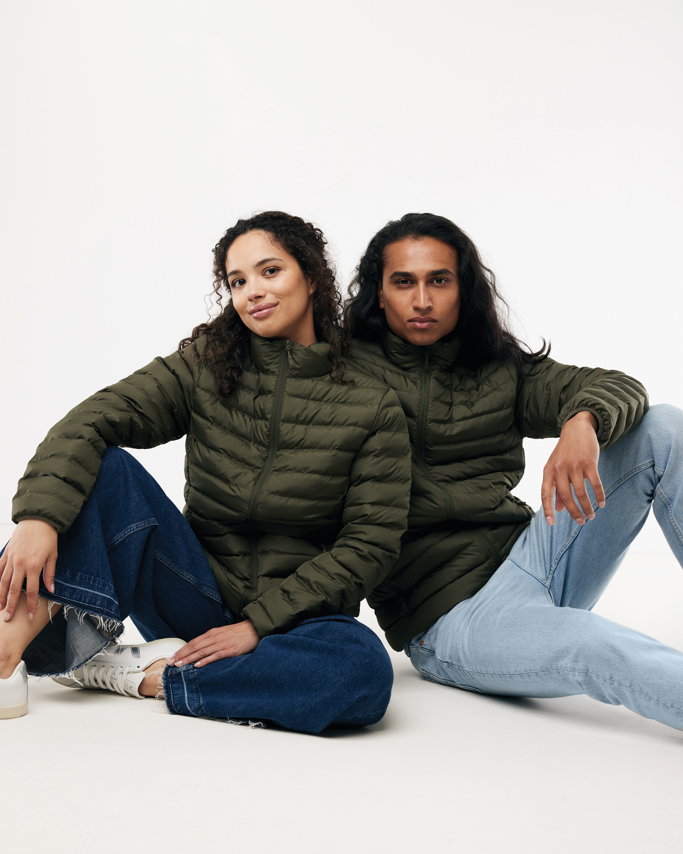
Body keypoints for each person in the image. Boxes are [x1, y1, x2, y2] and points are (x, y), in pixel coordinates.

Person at [0, 211, 411, 732]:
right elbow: (94, 419)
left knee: (362, 672)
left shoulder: (372, 403)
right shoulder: (207, 367)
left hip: (300, 619)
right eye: (237, 281)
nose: (252, 292)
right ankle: (4, 658)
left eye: (270, 271)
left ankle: (152, 677)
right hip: (195, 592)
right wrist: (39, 517)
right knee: (108, 469)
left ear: (311, 277)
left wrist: (257, 625)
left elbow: (370, 545)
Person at [346, 211, 683, 731]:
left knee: (662, 426)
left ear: (464, 288)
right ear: (379, 292)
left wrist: (583, 420)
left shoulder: (498, 366)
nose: (423, 300)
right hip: (453, 617)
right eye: (404, 282)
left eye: (440, 280)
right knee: (592, 644)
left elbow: (619, 385)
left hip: (533, 556)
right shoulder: (341, 372)